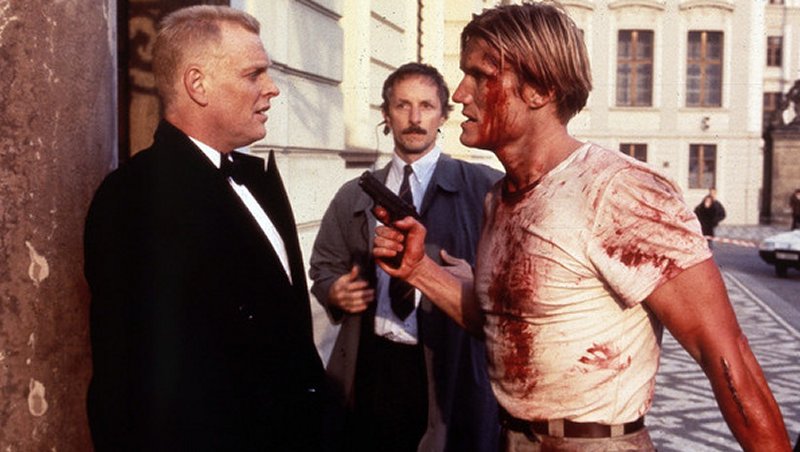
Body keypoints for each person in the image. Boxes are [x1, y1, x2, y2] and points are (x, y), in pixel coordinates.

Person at [372, 3, 791, 451]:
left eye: (480, 76)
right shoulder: (498, 200)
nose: (460, 94)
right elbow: (509, 325)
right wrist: (420, 271)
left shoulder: (618, 191)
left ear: (539, 89)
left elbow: (727, 355)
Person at [84, 6, 326, 451]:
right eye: (253, 74)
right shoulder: (134, 199)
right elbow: (132, 390)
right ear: (197, 84)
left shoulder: (255, 180)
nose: (271, 88)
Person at [309, 62, 503, 452]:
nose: (415, 119)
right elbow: (324, 265)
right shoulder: (354, 194)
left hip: (449, 369)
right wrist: (334, 291)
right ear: (386, 114)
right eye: (402, 106)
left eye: (426, 106)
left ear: (443, 115)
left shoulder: (483, 189)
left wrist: (472, 279)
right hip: (373, 365)